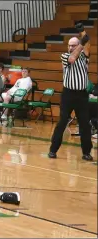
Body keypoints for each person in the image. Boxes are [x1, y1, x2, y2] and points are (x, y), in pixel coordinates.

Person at [48, 23, 93, 161]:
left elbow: (87, 43)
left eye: (74, 45)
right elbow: (72, 58)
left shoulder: (85, 56)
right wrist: (81, 43)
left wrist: (82, 31)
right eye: (69, 45)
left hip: (81, 95)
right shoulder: (65, 56)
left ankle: (86, 152)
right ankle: (53, 150)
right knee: (62, 122)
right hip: (68, 94)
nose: (71, 47)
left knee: (85, 124)